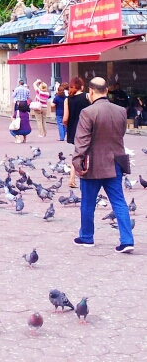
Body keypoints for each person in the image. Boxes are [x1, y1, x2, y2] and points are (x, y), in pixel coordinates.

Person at [73, 77, 134, 253]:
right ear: (106, 90)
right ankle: (127, 240)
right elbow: (120, 134)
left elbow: (82, 141)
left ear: (91, 92)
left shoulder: (88, 112)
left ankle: (87, 237)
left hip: (93, 164)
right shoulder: (121, 110)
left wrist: (77, 161)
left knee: (88, 202)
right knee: (119, 202)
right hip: (115, 161)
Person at [63, 77, 90, 189]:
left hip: (74, 129)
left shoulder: (67, 99)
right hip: (87, 127)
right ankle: (88, 175)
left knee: (77, 153)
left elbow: (65, 119)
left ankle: (72, 178)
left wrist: (69, 126)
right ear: (82, 86)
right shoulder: (88, 96)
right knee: (89, 151)